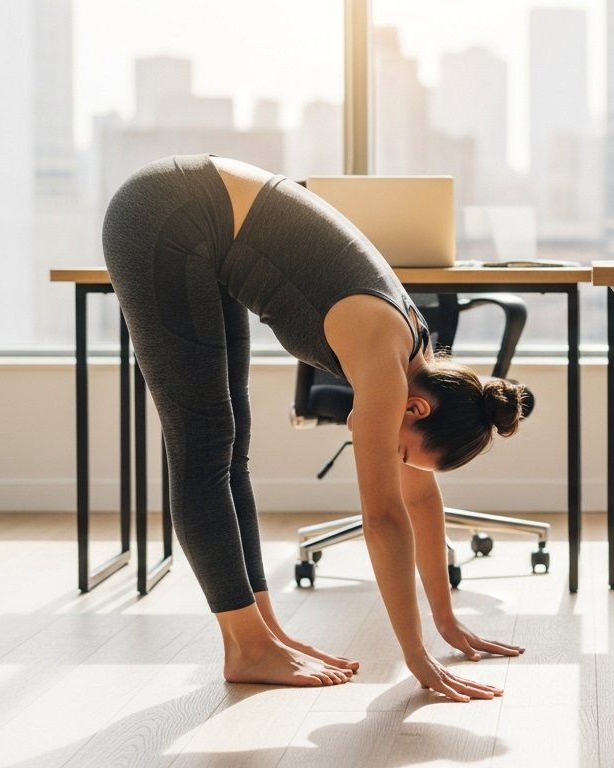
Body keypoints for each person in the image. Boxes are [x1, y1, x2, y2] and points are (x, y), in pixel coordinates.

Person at [101, 154, 527, 700]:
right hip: (166, 211)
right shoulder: (385, 356)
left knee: (229, 445)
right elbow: (384, 518)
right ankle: (248, 647)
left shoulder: (414, 354)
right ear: (416, 411)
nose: (393, 459)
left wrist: (445, 621)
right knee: (203, 442)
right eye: (404, 452)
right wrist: (415, 657)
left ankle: (264, 634)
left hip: (200, 225)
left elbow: (420, 501)